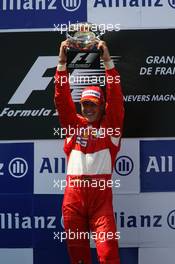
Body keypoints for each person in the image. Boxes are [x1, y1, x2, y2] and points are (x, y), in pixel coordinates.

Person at [54, 39, 124, 264]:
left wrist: (107, 61)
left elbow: (116, 99)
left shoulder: (111, 128)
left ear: (102, 106)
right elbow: (62, 100)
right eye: (85, 104)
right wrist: (62, 64)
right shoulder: (73, 126)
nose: (89, 109)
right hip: (73, 199)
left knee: (108, 253)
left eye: (93, 104)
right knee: (78, 256)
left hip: (100, 200)